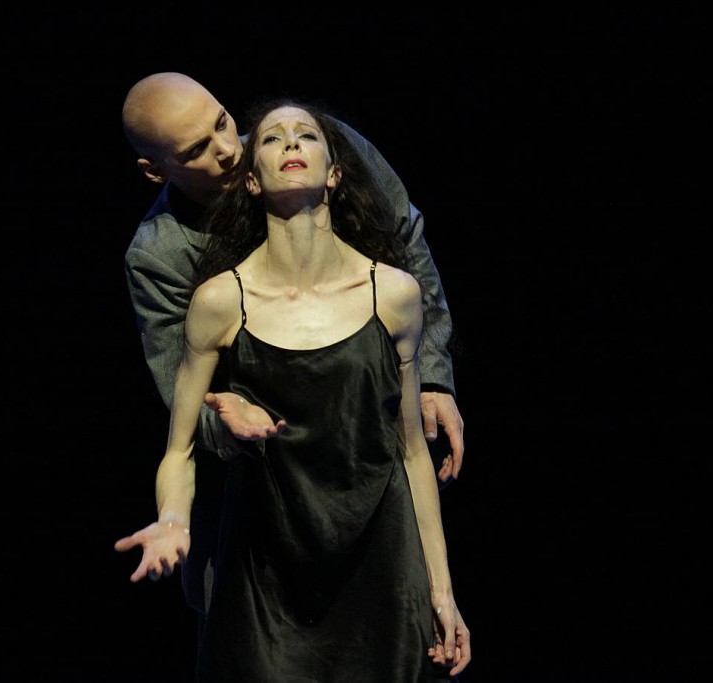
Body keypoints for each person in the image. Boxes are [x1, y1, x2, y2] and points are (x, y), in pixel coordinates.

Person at [115, 100, 471, 680]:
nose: (230, 148)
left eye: (225, 124)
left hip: (376, 544)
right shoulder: (184, 274)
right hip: (269, 544)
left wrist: (443, 590)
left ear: (336, 170)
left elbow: (411, 451)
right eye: (197, 150)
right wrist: (174, 518)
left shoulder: (393, 292)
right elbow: (179, 435)